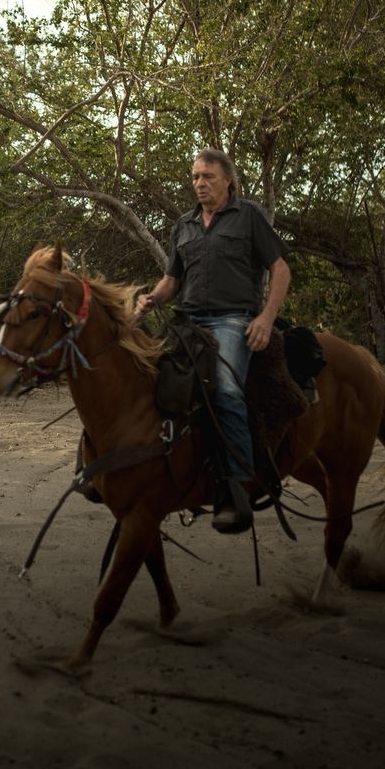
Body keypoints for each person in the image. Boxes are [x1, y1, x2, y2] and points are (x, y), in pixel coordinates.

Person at [133, 148, 291, 534]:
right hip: (186, 319)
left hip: (233, 320)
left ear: (227, 180)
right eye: (194, 178)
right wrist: (151, 299)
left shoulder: (248, 215)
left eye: (207, 176)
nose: (199, 183)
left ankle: (236, 487)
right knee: (144, 377)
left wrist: (266, 319)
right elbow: (172, 281)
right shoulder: (183, 225)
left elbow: (280, 269)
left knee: (225, 392)